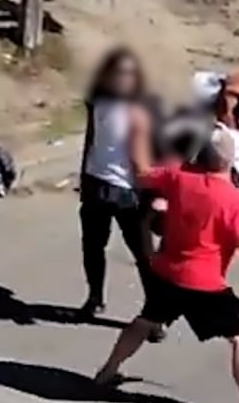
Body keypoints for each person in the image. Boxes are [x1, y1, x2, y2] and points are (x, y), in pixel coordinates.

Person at [93, 108, 239, 403]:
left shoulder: (178, 175)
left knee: (145, 321)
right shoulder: (236, 201)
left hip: (168, 275)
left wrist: (137, 131)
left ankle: (107, 372)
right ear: (231, 161)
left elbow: (142, 174)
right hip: (206, 286)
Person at [78, 46, 166, 341]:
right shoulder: (100, 103)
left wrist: (154, 195)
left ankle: (153, 316)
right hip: (102, 186)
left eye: (127, 74)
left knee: (140, 255)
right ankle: (97, 300)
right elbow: (91, 139)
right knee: (103, 248)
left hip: (124, 192)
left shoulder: (137, 110)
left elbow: (147, 158)